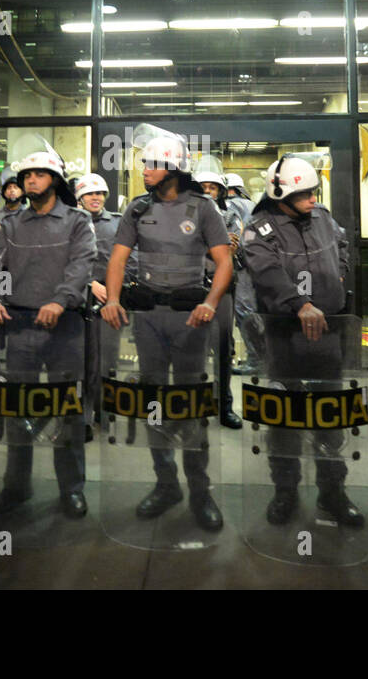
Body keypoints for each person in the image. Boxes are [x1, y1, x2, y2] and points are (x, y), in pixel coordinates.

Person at [100, 132, 233, 532]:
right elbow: (118, 260)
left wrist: (210, 302)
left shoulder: (204, 208)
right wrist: (111, 298)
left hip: (190, 319)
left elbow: (224, 261)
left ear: (173, 169)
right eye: (144, 165)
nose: (144, 172)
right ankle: (165, 483)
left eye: (152, 165)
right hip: (149, 319)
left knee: (191, 402)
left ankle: (200, 489)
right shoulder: (137, 209)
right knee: (154, 399)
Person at [241, 154, 363, 527]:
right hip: (283, 338)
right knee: (284, 419)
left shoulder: (323, 218)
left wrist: (338, 278)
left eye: (314, 192)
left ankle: (333, 494)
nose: (313, 199)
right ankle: (285, 492)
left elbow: (342, 247)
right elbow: (267, 273)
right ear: (281, 193)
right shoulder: (258, 230)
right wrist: (300, 304)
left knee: (330, 416)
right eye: (305, 193)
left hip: (327, 334)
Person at [0, 148, 95, 517]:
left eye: (39, 175)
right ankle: (16, 485)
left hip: (66, 326)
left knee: (67, 410)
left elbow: (81, 265)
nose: (31, 180)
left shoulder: (77, 221)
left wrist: (61, 300)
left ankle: (72, 489)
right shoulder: (11, 224)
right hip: (21, 326)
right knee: (19, 409)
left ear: (55, 180)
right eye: (26, 175)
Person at [194, 160, 243, 429]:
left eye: (213, 187)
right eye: (204, 187)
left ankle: (225, 406)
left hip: (222, 289)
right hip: (193, 288)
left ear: (221, 191)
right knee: (194, 348)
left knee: (224, 348)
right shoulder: (188, 214)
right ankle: (199, 403)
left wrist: (222, 249)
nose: (209, 191)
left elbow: (234, 247)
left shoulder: (231, 215)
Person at [75, 171, 119, 436]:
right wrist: (91, 282)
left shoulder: (117, 223)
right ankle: (84, 417)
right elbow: (64, 259)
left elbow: (127, 261)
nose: (96, 198)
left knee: (107, 359)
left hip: (109, 301)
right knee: (82, 361)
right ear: (80, 197)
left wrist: (114, 292)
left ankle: (105, 411)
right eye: (91, 193)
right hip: (79, 300)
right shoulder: (71, 222)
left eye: (100, 193)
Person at [224, 173, 264, 375]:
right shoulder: (253, 205)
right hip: (258, 266)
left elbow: (235, 237)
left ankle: (256, 360)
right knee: (252, 311)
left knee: (243, 312)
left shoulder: (232, 206)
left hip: (241, 267)